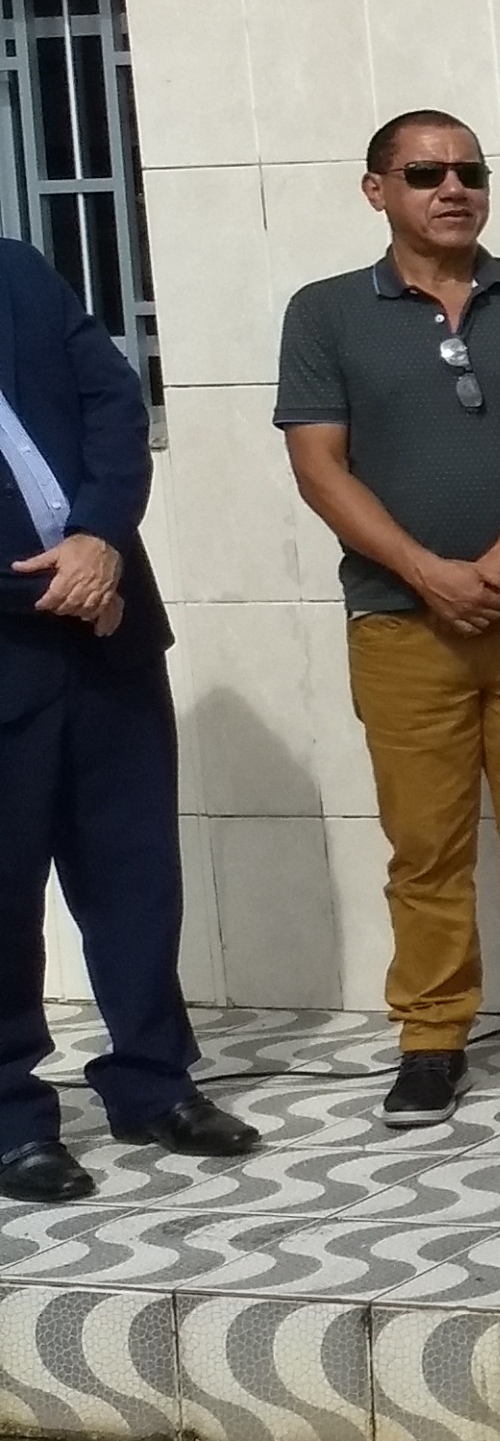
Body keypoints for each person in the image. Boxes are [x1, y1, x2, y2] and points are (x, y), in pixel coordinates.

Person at [277, 111, 500, 1127]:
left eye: (469, 170)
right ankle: (432, 1040)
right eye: (426, 173)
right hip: (399, 623)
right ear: (376, 190)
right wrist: (428, 573)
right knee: (425, 847)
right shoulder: (325, 313)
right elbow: (318, 467)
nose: (453, 188)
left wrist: (499, 566)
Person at [0, 237, 254, 1202]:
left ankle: (154, 1083)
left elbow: (113, 402)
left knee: (135, 875)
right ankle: (13, 1119)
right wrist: (62, 585)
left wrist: (101, 536)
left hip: (108, 635)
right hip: (20, 639)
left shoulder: (17, 272)